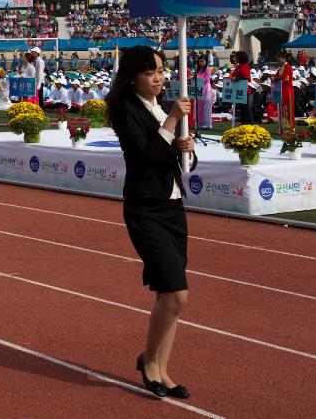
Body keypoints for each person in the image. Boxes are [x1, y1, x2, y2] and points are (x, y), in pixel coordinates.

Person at [106, 46, 195, 401]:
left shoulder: (159, 106)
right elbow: (145, 158)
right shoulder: (126, 110)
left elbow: (168, 155)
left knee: (167, 294)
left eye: (161, 70)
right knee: (176, 294)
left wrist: (184, 146)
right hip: (145, 209)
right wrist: (172, 121)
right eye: (150, 72)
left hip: (172, 206)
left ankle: (158, 364)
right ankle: (150, 364)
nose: (159, 78)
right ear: (132, 77)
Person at [273, 50, 296, 140]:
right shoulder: (281, 66)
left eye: (279, 58)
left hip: (287, 91)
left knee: (288, 109)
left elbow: (283, 77)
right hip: (282, 90)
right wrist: (274, 77)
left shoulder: (288, 67)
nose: (278, 60)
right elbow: (278, 76)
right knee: (283, 109)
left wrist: (275, 78)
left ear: (283, 58)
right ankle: (284, 128)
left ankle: (290, 128)